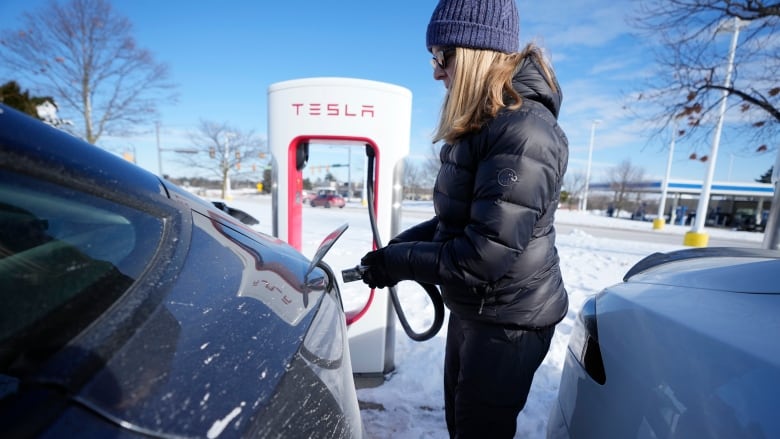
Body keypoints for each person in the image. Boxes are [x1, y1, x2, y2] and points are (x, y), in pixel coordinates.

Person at [359, 0, 569, 437]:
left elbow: (483, 256)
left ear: (477, 53)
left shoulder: (524, 131)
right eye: (433, 58)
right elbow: (453, 226)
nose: (436, 71)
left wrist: (398, 263)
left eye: (443, 56)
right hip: (477, 309)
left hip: (510, 321)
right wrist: (393, 252)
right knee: (460, 423)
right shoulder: (485, 125)